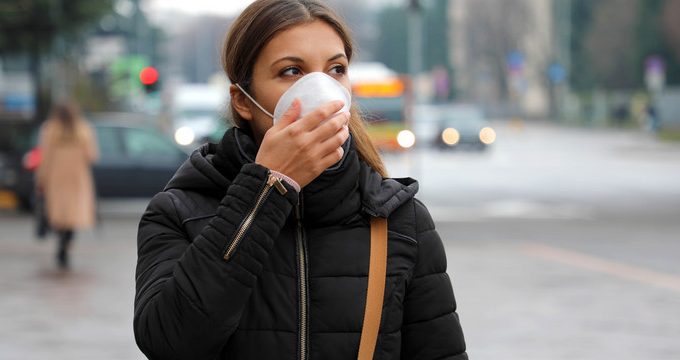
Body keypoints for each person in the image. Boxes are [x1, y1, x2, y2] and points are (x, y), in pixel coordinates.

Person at [134, 0, 468, 359]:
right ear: (243, 101)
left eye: (336, 69)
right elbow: (169, 342)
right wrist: (267, 190)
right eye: (292, 71)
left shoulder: (401, 221)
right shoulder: (177, 212)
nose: (321, 91)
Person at [35, 101, 98, 269]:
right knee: (72, 215)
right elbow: (92, 156)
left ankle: (61, 240)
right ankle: (66, 245)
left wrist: (41, 178)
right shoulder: (84, 130)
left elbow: (45, 158)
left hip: (56, 177)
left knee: (59, 214)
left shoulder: (49, 130)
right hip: (78, 178)